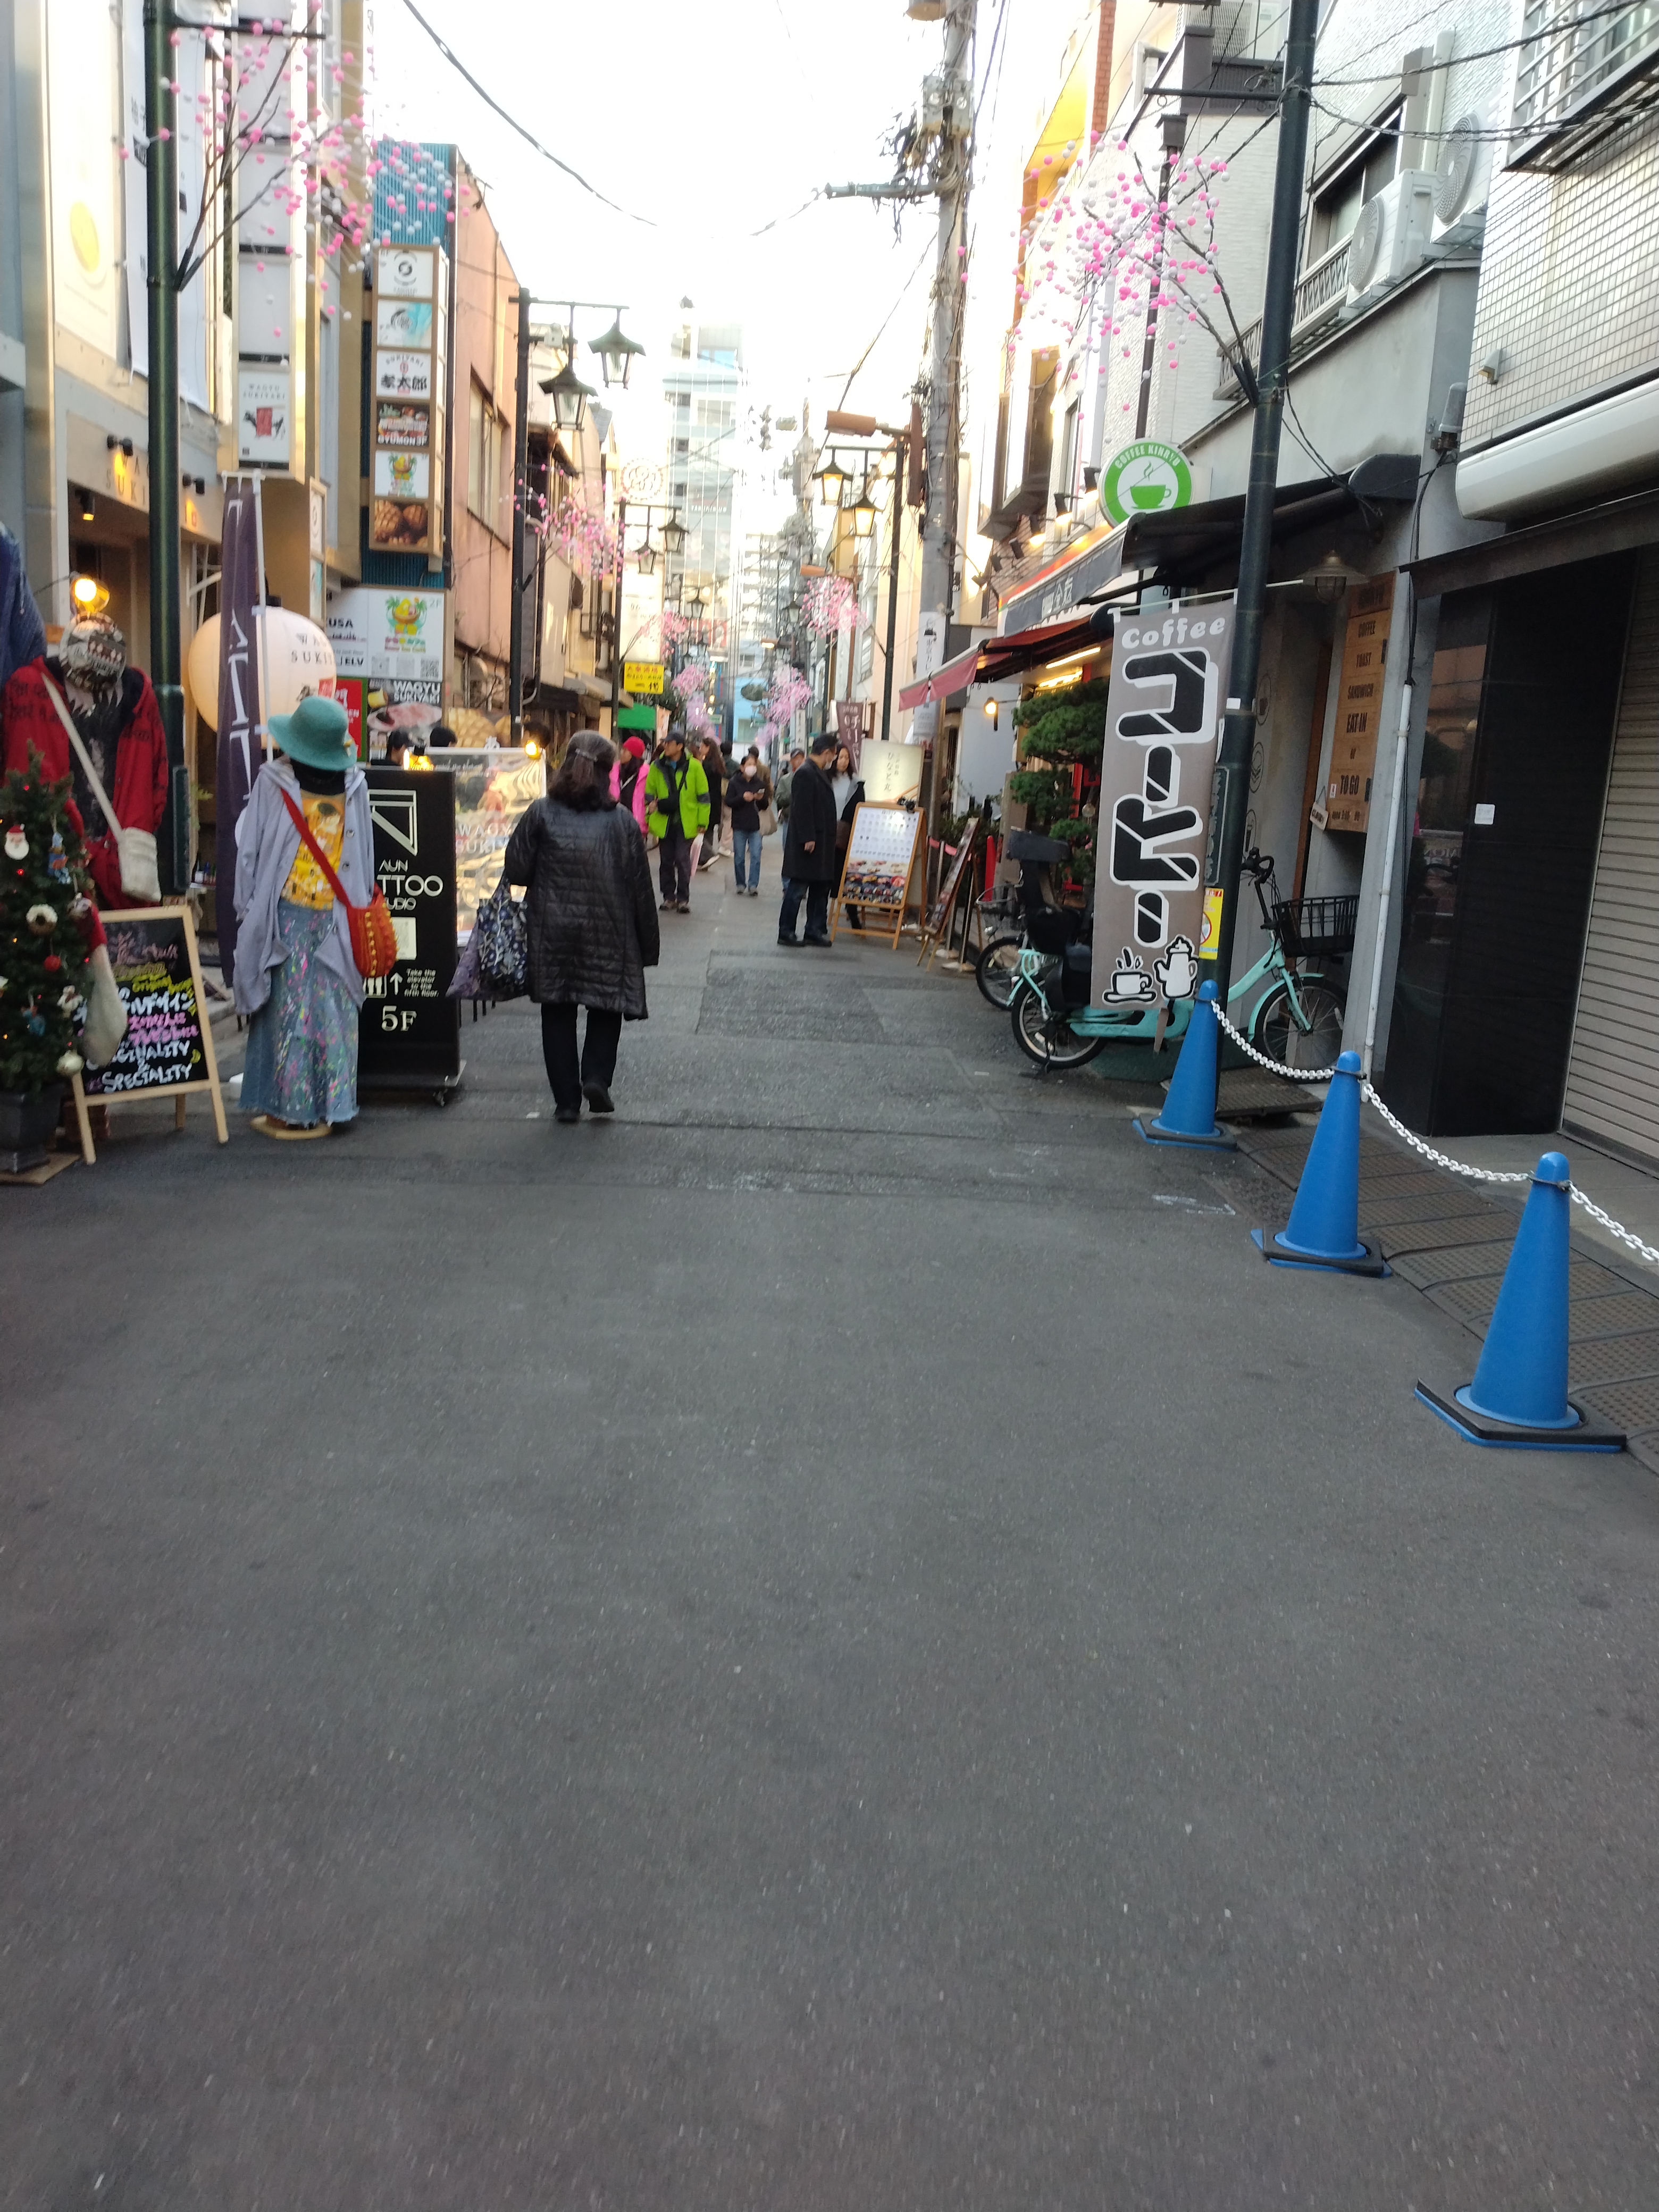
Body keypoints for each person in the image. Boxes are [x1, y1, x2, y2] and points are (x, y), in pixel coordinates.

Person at [233, 693, 372, 1138]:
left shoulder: (274, 781)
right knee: (334, 1010)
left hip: (285, 912)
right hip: (338, 913)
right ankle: (336, 1103)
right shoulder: (354, 784)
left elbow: (250, 850)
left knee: (289, 1011)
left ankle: (289, 1107)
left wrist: (246, 906)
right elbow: (364, 856)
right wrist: (361, 902)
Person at [502, 730, 659, 1124]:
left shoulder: (541, 811)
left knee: (557, 1011)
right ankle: (596, 1077)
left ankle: (566, 1102)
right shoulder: (622, 821)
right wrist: (648, 945)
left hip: (552, 929)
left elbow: (517, 870)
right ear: (608, 772)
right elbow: (640, 887)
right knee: (606, 1003)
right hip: (610, 929)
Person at [777, 732, 839, 947]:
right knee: (798, 889)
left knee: (820, 888)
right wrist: (808, 838)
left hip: (821, 842)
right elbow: (802, 809)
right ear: (826, 752)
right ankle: (786, 931)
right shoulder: (805, 773)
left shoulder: (816, 772)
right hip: (810, 842)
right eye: (833, 754)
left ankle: (814, 929)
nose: (833, 759)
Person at [643, 724, 709, 912]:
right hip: (664, 819)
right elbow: (649, 792)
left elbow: (703, 796)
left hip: (686, 821)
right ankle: (668, 897)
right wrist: (650, 808)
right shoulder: (657, 766)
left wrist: (703, 822)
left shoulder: (695, 767)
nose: (666, 746)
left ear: (680, 746)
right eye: (665, 743)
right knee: (666, 860)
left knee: (682, 859)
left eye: (670, 743)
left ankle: (683, 898)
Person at [830, 740, 868, 930]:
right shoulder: (826, 779)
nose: (843, 761)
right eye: (840, 757)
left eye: (846, 757)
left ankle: (852, 915)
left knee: (848, 875)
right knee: (830, 874)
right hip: (828, 833)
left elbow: (861, 808)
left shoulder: (856, 783)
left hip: (847, 835)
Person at [726, 746, 772, 898]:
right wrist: (742, 798)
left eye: (754, 764)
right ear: (742, 767)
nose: (752, 767)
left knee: (756, 855)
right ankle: (740, 883)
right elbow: (729, 801)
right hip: (739, 825)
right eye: (749, 764)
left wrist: (760, 799)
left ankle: (753, 885)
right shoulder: (734, 782)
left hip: (755, 825)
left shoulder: (759, 783)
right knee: (739, 856)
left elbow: (764, 805)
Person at [696, 733, 725, 868]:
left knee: (701, 832)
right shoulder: (717, 764)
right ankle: (705, 860)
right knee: (708, 832)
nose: (700, 748)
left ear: (708, 748)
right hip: (715, 803)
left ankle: (708, 856)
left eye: (702, 746)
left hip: (706, 802)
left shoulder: (706, 766)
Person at [775, 744, 806, 824]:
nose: (799, 762)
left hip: (806, 819)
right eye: (796, 759)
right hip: (789, 819)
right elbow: (779, 799)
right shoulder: (785, 780)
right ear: (791, 762)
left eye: (801, 759)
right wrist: (792, 794)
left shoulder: (810, 777)